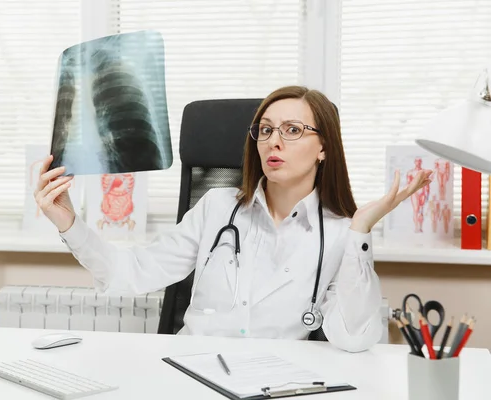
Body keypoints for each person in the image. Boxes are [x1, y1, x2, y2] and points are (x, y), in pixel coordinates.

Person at [34, 86, 432, 353]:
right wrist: (69, 222)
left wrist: (360, 232)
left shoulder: (341, 233)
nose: (274, 141)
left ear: (323, 147)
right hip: (191, 372)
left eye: (293, 130)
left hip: (275, 382)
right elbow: (131, 273)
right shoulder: (217, 207)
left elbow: (355, 339)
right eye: (265, 129)